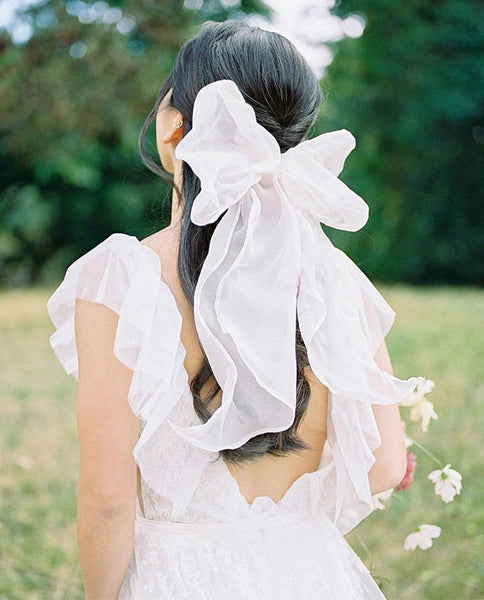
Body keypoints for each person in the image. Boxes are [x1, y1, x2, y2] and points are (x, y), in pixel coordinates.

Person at [47, 20, 423, 600]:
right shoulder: (333, 279)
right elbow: (383, 462)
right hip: (308, 572)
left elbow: (106, 501)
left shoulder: (121, 277)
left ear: (174, 128)